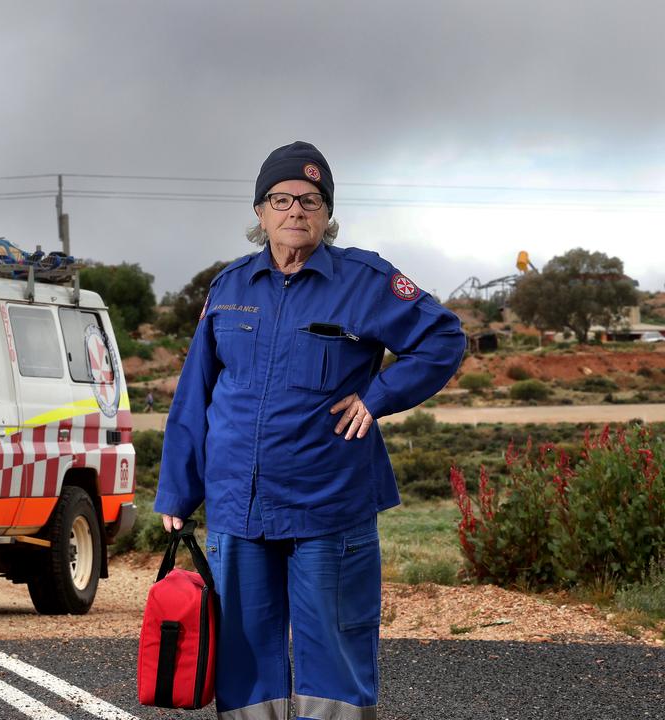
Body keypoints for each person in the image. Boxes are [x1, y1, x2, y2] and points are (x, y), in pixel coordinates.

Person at [154, 141, 464, 719]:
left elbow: (444, 339)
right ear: (260, 211)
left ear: (327, 213)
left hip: (329, 506)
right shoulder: (230, 288)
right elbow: (195, 393)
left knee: (334, 662)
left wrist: (379, 396)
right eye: (282, 198)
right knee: (244, 664)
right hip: (236, 507)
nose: (296, 210)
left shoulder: (365, 281)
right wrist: (178, 487)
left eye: (311, 200)